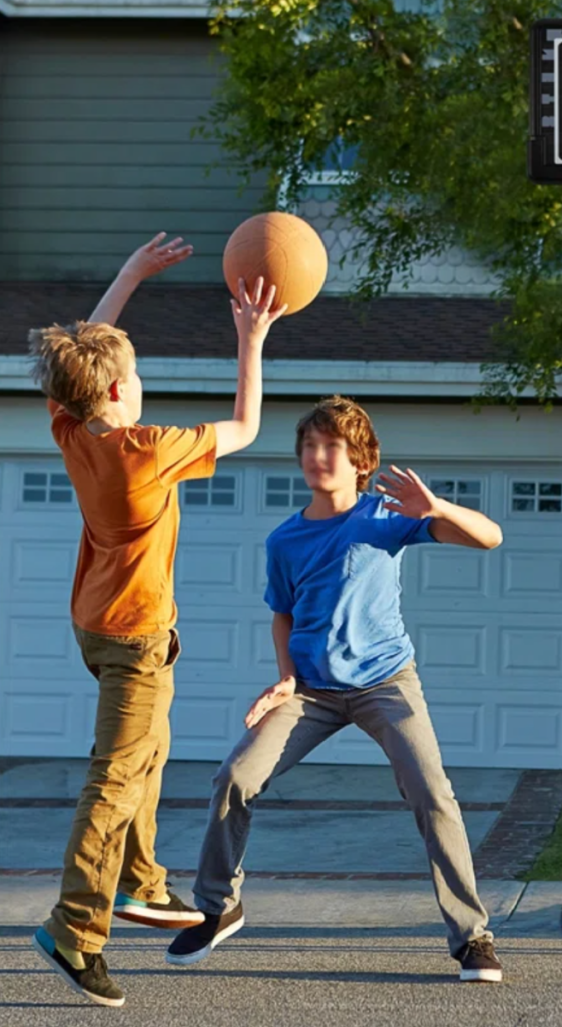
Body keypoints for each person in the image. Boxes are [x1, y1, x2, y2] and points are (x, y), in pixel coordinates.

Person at [29, 233, 286, 1006]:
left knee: (149, 750)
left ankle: (139, 880)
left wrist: (130, 274)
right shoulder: (145, 450)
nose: (140, 382)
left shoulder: (72, 428)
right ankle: (74, 929)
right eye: (133, 375)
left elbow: (81, 356)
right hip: (136, 637)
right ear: (114, 393)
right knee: (115, 777)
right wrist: (251, 339)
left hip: (98, 626)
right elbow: (244, 427)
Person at [166, 396, 505, 984]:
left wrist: (438, 506)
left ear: (359, 461)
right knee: (235, 778)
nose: (318, 455)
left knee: (432, 794)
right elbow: (283, 614)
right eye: (310, 445)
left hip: (385, 684)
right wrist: (285, 676)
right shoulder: (284, 540)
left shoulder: (385, 517)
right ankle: (218, 906)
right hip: (310, 693)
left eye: (332, 447)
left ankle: (472, 937)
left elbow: (490, 538)